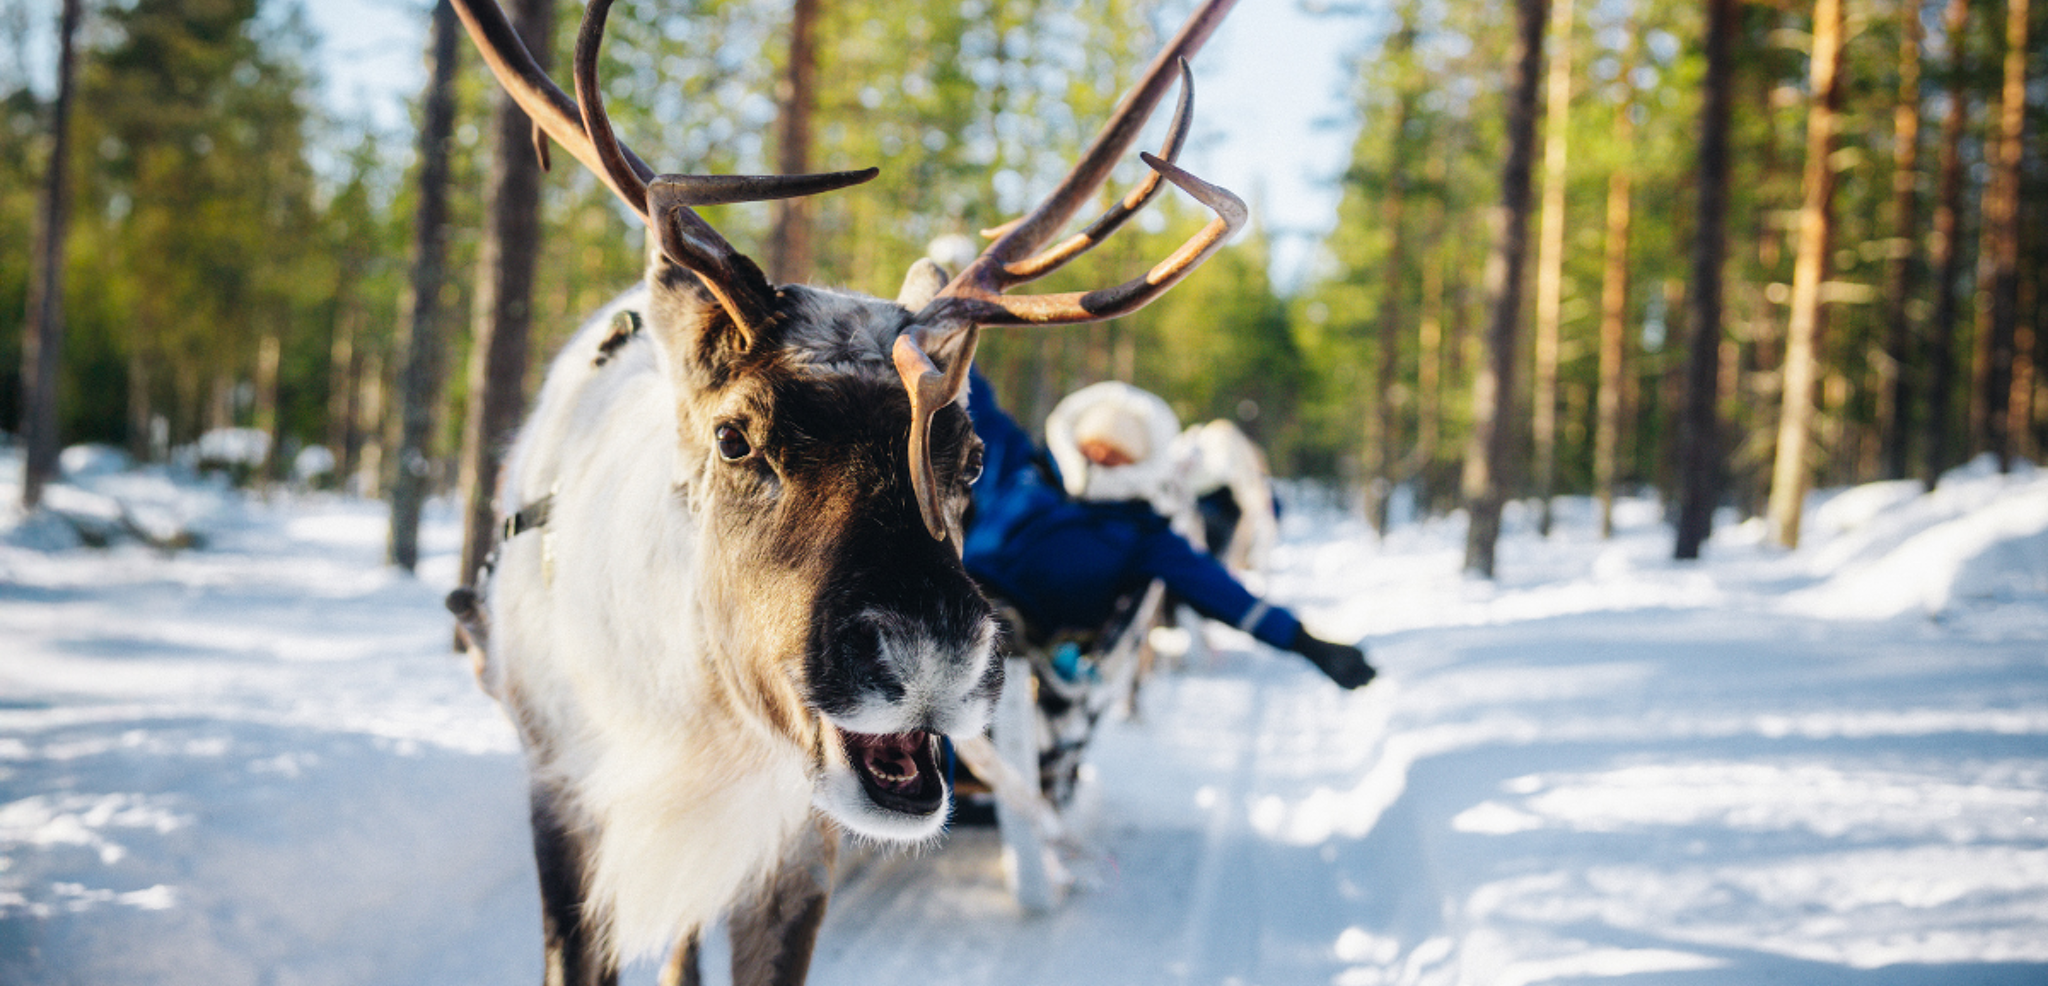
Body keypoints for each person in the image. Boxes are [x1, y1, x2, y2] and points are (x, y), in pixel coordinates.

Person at [962, 372, 1374, 690]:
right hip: (957, 592)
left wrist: (1305, 643)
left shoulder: (1142, 531)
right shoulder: (1020, 468)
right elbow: (973, 396)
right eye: (1092, 447)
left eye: (1115, 454)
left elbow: (1222, 593)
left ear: (1138, 463)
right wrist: (944, 326)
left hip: (1026, 632)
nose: (1098, 459)